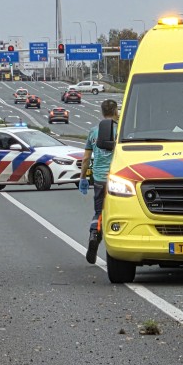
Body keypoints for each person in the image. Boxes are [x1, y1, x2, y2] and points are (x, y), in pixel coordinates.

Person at [79, 99, 119, 264]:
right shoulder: (121, 131)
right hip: (117, 178)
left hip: (99, 179)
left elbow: (86, 158)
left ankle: (94, 234)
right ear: (116, 111)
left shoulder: (93, 132)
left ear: (102, 112)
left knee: (99, 212)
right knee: (118, 212)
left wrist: (82, 178)